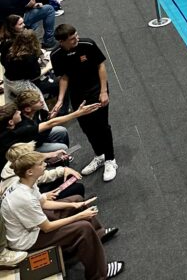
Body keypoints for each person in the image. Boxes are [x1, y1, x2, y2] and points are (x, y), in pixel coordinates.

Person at [1, 151, 123, 279]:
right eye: (40, 164)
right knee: (83, 228)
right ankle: (99, 274)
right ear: (30, 172)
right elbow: (47, 227)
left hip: (31, 227)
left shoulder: (25, 182)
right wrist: (78, 217)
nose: (45, 165)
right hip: (27, 240)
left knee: (76, 199)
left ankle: (98, 234)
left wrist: (74, 205)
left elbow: (44, 203)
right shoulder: (24, 197)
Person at [50, 24, 118, 183]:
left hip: (96, 89)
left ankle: (110, 159)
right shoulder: (56, 55)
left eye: (76, 35)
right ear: (61, 41)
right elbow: (64, 77)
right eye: (72, 39)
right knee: (87, 128)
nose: (77, 39)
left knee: (102, 126)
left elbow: (101, 66)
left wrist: (103, 91)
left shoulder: (87, 44)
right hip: (77, 94)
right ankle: (99, 156)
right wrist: (60, 100)